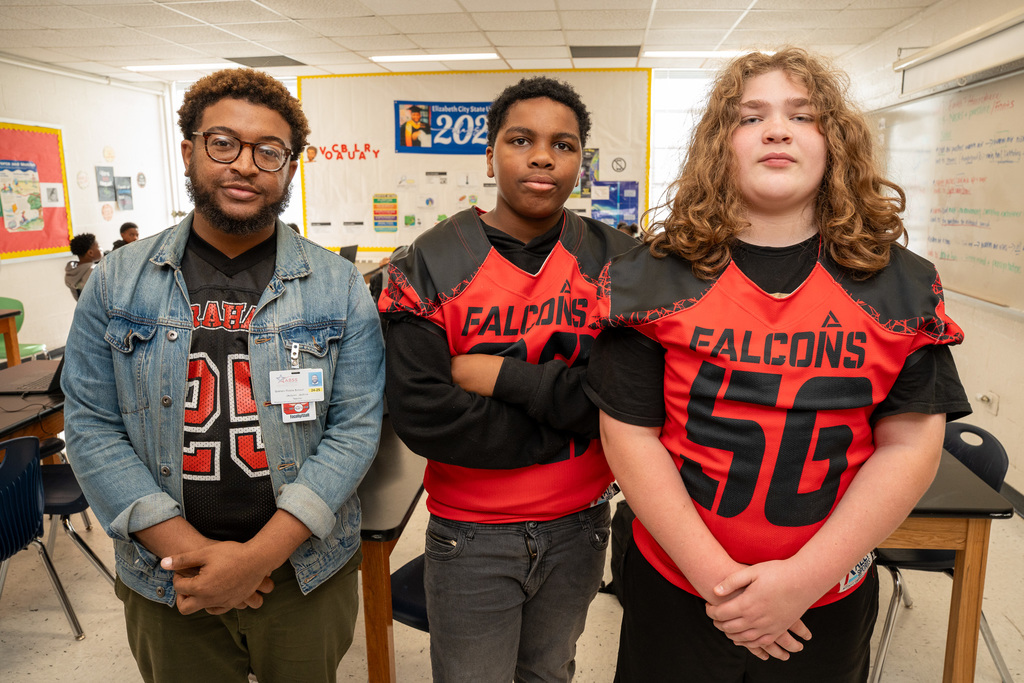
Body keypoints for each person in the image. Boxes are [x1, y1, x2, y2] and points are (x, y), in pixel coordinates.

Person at [585, 47, 971, 682]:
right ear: (719, 145)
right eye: (749, 116)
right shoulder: (650, 275)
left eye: (804, 114)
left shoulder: (900, 286)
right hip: (678, 584)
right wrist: (717, 581)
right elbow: (629, 433)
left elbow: (911, 447)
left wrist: (801, 581)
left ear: (835, 141)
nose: (776, 129)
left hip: (827, 593)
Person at [61, 68, 385, 683]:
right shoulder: (116, 281)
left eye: (269, 151)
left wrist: (257, 558)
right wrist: (193, 554)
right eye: (223, 143)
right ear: (189, 151)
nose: (245, 165)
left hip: (303, 573)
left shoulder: (340, 288)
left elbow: (355, 431)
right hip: (168, 578)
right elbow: (92, 428)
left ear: (290, 167)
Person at [379, 76, 636, 682]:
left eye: (564, 144)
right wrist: (582, 424)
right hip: (469, 535)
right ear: (489, 155)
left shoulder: (622, 264)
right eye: (521, 139)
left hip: (581, 526)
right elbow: (427, 416)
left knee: (549, 674)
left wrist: (496, 376)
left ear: (580, 162)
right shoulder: (425, 264)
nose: (543, 155)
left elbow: (625, 395)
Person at [64, 232, 101, 300]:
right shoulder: (95, 271)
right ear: (90, 253)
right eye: (98, 247)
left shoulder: (70, 274)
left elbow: (77, 297)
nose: (100, 249)